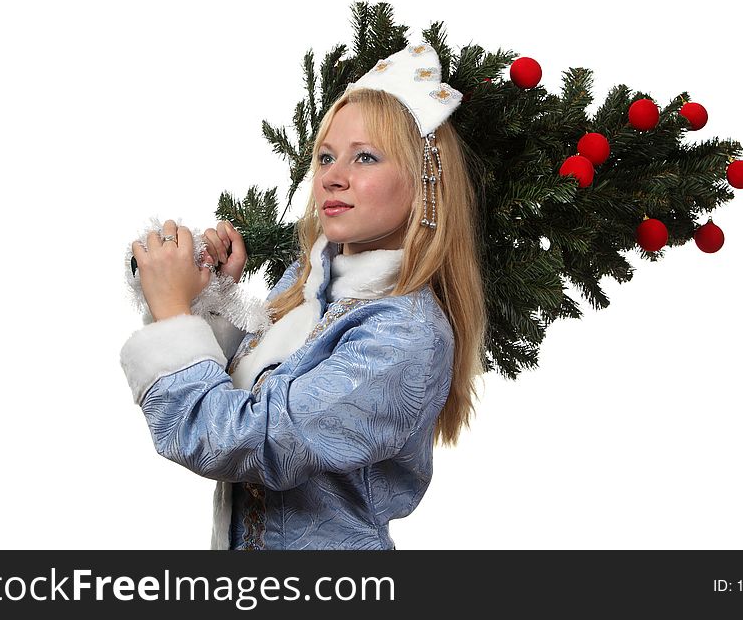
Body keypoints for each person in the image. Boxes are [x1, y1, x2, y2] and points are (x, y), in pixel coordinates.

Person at [120, 42, 487, 550]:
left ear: (425, 182)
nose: (333, 176)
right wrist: (212, 296)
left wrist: (172, 315)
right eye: (326, 156)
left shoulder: (404, 333)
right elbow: (239, 384)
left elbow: (246, 440)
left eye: (365, 157)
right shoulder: (310, 282)